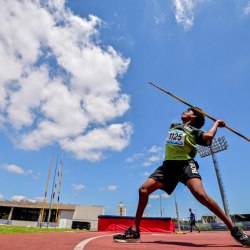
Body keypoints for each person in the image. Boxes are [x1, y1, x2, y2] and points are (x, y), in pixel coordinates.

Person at [113, 108, 250, 247]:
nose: (184, 112)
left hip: (185, 164)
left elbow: (208, 138)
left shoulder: (196, 131)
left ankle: (235, 230)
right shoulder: (174, 126)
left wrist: (216, 124)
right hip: (168, 166)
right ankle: (135, 231)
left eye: (188, 111)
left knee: (200, 194)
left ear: (194, 116)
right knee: (143, 190)